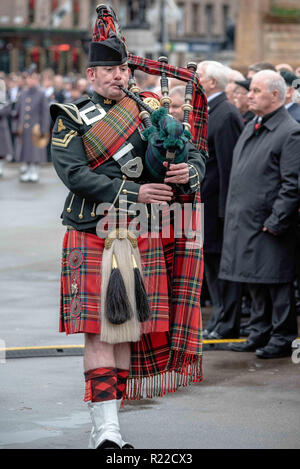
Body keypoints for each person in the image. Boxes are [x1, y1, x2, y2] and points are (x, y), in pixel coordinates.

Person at [50, 5, 206, 450]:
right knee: (100, 329)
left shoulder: (152, 111)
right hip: (93, 229)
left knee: (126, 330)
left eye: (123, 68)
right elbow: (75, 174)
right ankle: (106, 431)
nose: (119, 76)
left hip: (143, 234)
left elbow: (195, 156)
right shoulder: (72, 116)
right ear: (92, 74)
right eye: (109, 70)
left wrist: (186, 174)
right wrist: (136, 192)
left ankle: (109, 424)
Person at [219, 70, 300, 358]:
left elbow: (292, 185)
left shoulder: (289, 132)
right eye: (250, 90)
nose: (249, 95)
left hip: (269, 225)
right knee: (254, 281)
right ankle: (259, 331)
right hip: (248, 221)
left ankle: (282, 336)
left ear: (275, 95)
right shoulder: (254, 124)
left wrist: (276, 222)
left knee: (276, 285)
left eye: (256, 90)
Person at [197, 60, 244, 340]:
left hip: (218, 208)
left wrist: (226, 211)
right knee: (211, 266)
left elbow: (228, 168)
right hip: (208, 204)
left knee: (220, 266)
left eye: (199, 75)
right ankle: (219, 318)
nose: (194, 79)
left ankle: (228, 321)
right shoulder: (211, 110)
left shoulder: (225, 113)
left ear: (212, 82)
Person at [14, 65, 50, 182]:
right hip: (25, 128)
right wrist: (18, 126)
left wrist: (44, 129)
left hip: (36, 128)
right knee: (26, 151)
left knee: (35, 151)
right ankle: (28, 171)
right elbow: (19, 112)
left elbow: (45, 113)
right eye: (28, 78)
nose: (30, 80)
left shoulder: (41, 94)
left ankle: (35, 171)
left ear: (37, 79)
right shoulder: (23, 93)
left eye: (33, 78)